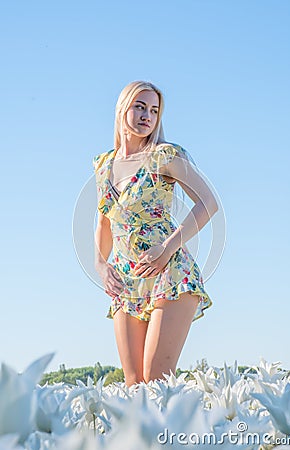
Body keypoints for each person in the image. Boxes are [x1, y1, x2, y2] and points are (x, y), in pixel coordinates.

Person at [93, 80, 219, 387]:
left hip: (170, 273)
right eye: (139, 106)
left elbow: (209, 203)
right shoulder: (104, 165)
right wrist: (100, 264)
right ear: (122, 108)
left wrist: (166, 248)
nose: (147, 115)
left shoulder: (164, 155)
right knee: (134, 384)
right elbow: (104, 224)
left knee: (155, 381)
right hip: (126, 279)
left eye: (154, 109)